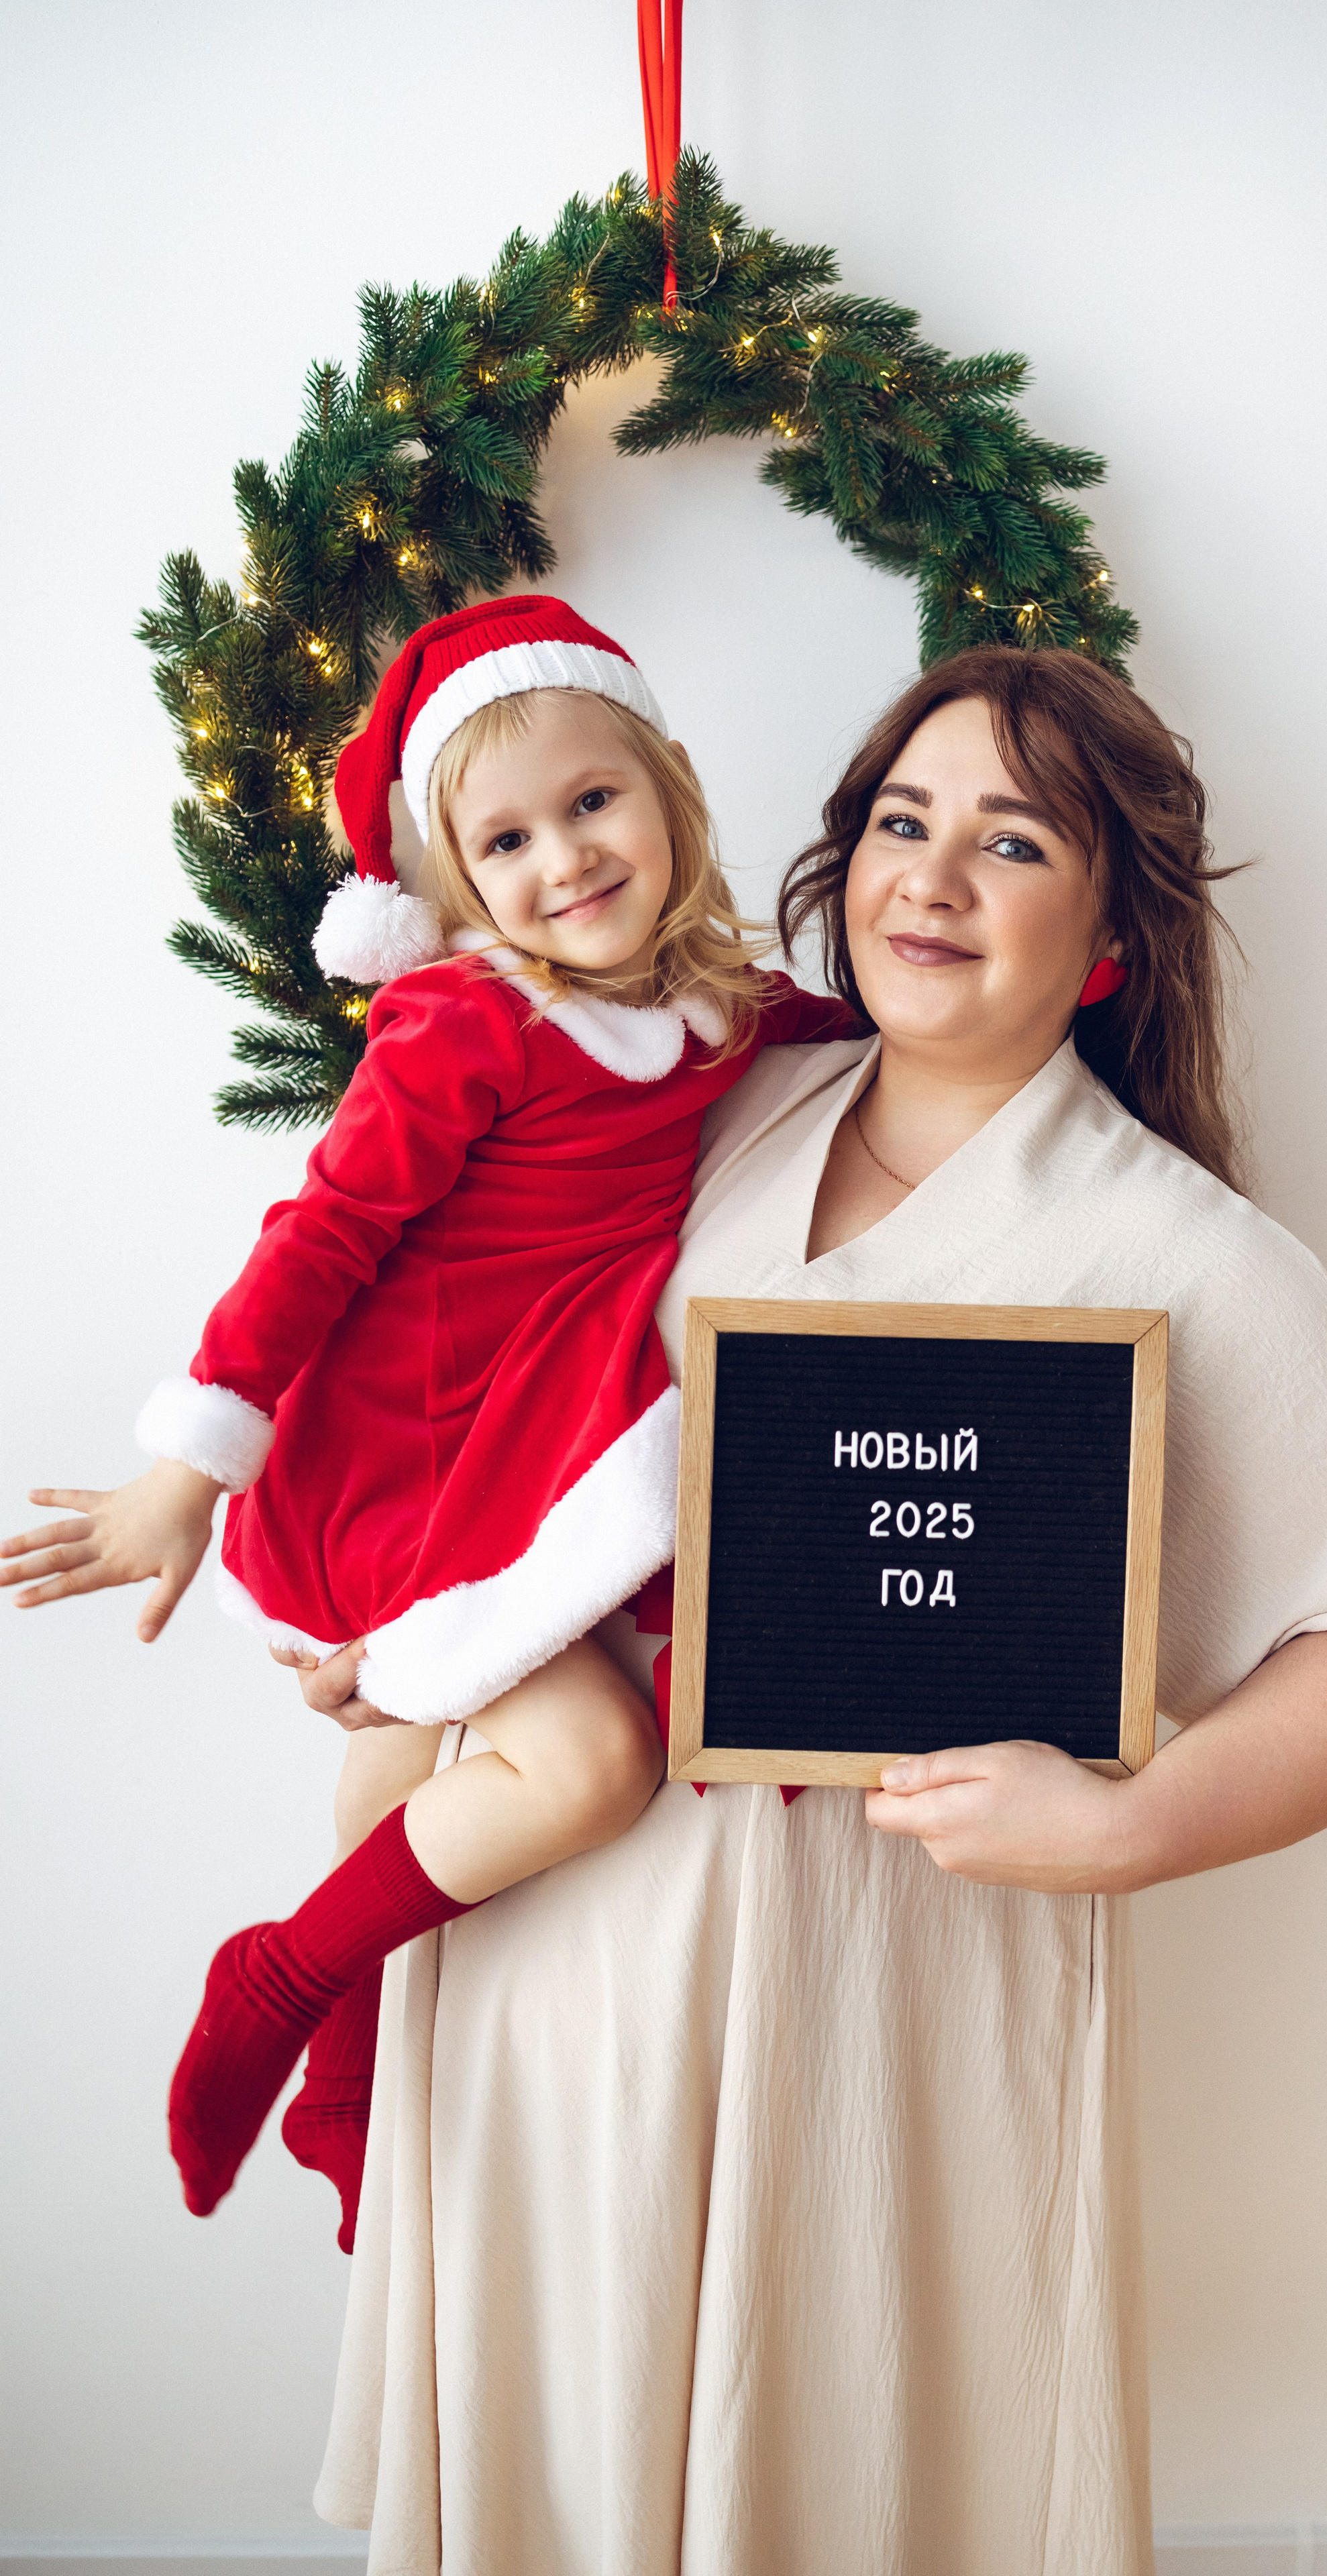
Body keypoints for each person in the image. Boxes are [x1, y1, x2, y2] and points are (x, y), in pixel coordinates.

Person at [313, 643, 1327, 2573]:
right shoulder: (711, 1108)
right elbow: (456, 1365)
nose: (931, 878)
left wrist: (1130, 1826)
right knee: (562, 2486)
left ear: (1107, 936)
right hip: (557, 1948)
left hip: (873, 2020)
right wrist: (376, 1611)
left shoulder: (1175, 1248)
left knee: (841, 2480)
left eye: (1010, 841)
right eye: (901, 822)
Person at [0, 594, 850, 2249]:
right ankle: (288, 1975)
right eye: (508, 840)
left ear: (671, 785)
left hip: (530, 1426)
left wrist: (1060, 986)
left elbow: (838, 1032)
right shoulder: (472, 1024)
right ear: (457, 887)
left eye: (594, 803)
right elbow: (319, 1234)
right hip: (410, 1443)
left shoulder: (711, 1003)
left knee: (400, 1769)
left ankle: (340, 2069)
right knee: (592, 1765)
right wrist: (190, 1469)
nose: (566, 862)